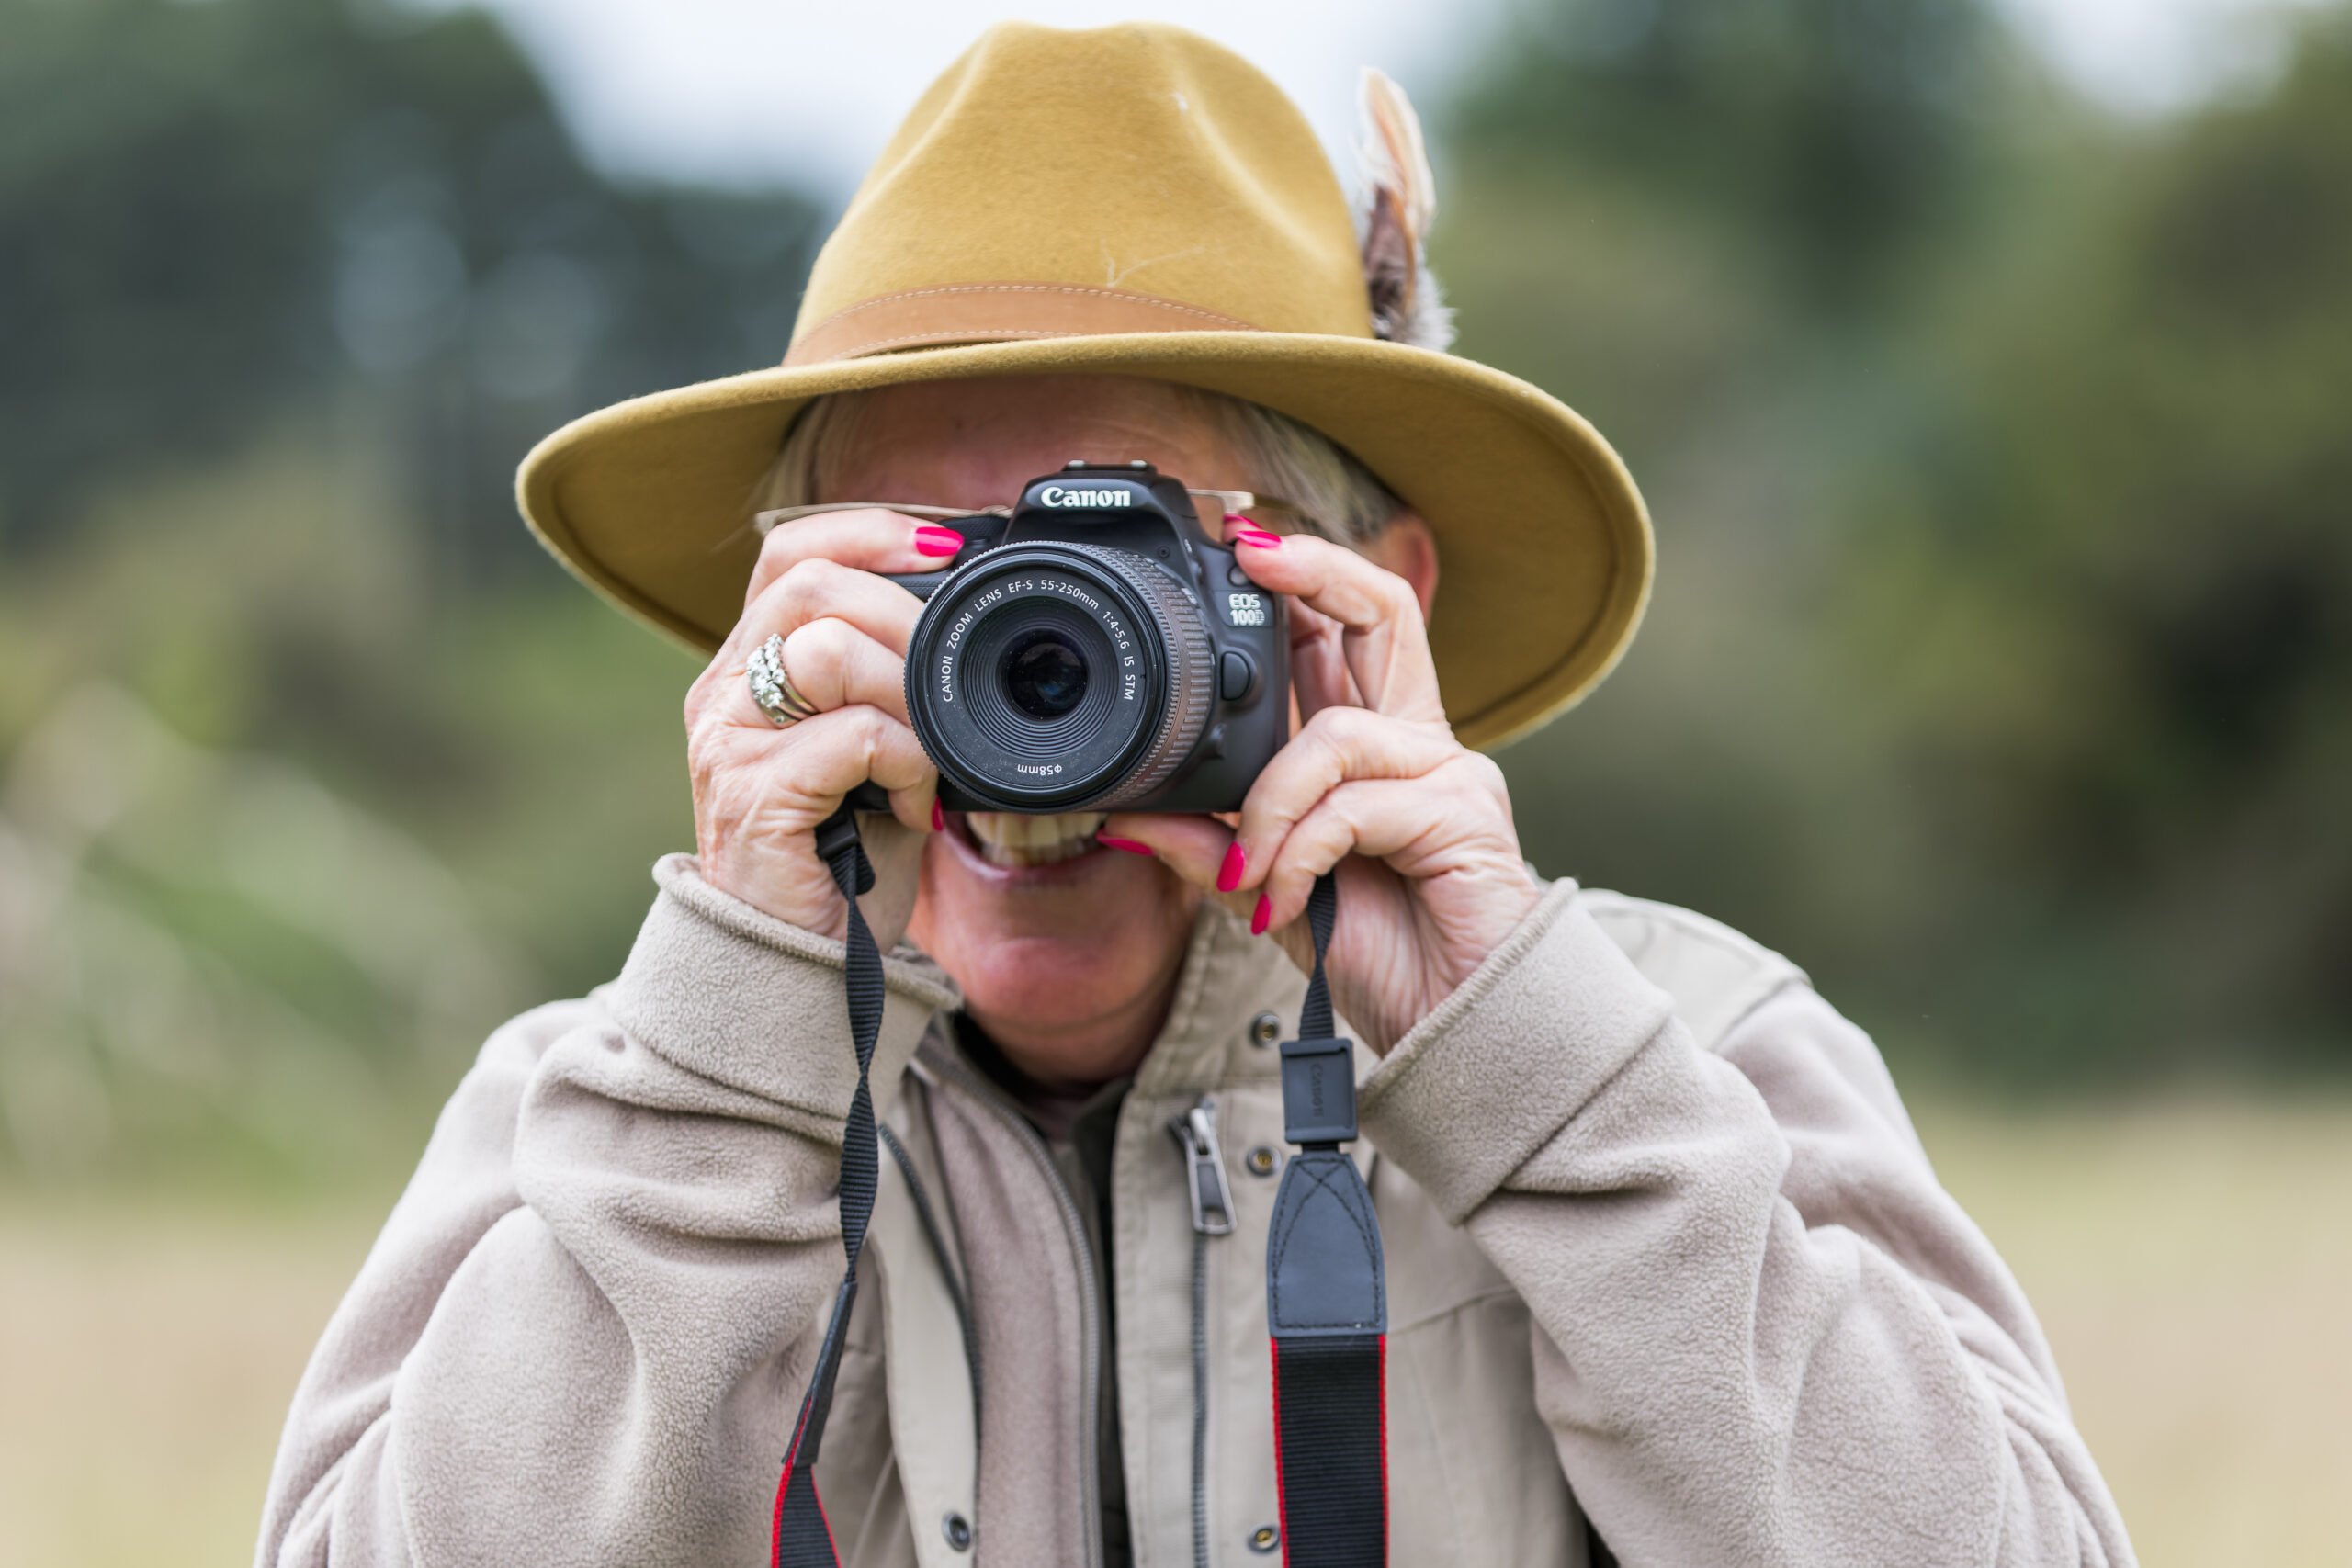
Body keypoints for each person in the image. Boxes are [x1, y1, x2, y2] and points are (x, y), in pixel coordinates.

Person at [256, 21, 2135, 1568]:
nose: (1021, 661)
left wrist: (1526, 1065)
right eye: (931, 574)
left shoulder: (1687, 1058)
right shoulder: (596, 1121)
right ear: (777, 623)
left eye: (1137, 566)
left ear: (1367, 597)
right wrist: (736, 1057)